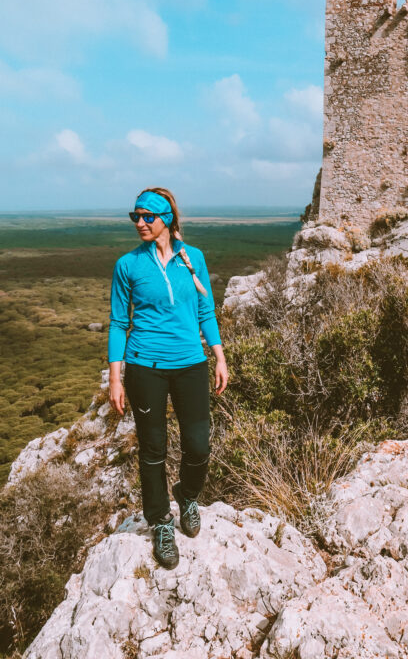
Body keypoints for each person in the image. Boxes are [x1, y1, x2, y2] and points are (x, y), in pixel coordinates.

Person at [107, 187, 228, 569]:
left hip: (191, 363)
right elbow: (117, 323)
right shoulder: (128, 265)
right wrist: (116, 377)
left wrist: (219, 356)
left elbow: (206, 310)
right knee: (153, 449)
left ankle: (188, 496)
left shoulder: (193, 259)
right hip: (145, 368)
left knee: (198, 445)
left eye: (148, 217)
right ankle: (160, 521)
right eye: (135, 217)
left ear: (167, 220)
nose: (140, 223)